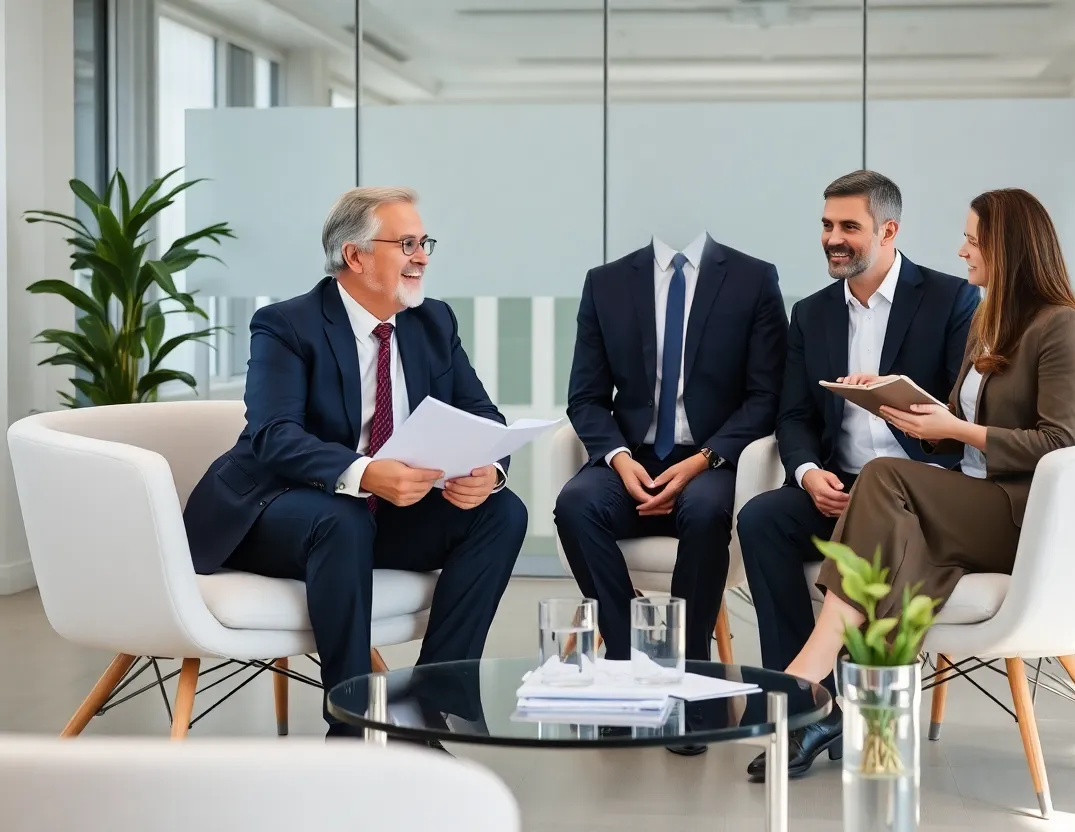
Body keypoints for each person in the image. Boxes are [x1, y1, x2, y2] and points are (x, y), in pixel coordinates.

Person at [754, 186, 1075, 779]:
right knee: (877, 511)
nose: (962, 250)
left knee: (884, 478)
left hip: (1025, 513)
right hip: (974, 496)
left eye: (973, 240)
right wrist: (900, 403)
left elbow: (1059, 445)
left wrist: (956, 432)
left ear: (1008, 249)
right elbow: (959, 421)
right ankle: (845, 707)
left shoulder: (1062, 328)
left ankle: (808, 676)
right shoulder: (992, 323)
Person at [182, 186, 528, 738]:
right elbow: (274, 436)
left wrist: (488, 469)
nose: (423, 256)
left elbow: (482, 415)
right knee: (340, 519)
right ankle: (351, 724)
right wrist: (364, 473)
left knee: (502, 511)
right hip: (273, 511)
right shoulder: (286, 325)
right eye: (407, 243)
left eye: (425, 242)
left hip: (377, 515)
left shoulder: (432, 322)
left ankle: (430, 708)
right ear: (356, 256)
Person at [738, 170, 979, 780]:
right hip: (837, 482)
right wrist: (809, 471)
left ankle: (828, 703)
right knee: (761, 519)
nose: (833, 238)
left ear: (889, 230)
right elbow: (792, 414)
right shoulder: (813, 313)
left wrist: (902, 416)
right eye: (827, 225)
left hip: (917, 489)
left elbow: (963, 416)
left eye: (849, 226)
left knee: (877, 513)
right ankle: (802, 706)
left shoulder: (951, 300)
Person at [554, 231, 788, 677]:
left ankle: (691, 670)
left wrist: (705, 458)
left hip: (711, 458)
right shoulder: (606, 282)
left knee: (704, 513)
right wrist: (620, 460)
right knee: (575, 505)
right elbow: (585, 397)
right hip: (633, 454)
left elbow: (766, 396)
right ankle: (630, 658)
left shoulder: (753, 279)